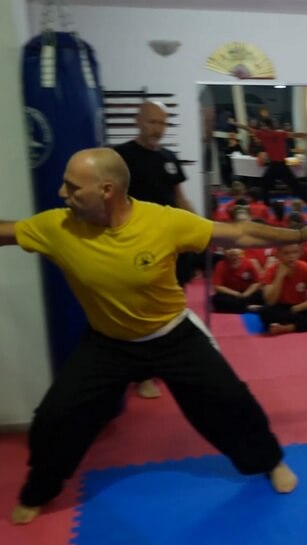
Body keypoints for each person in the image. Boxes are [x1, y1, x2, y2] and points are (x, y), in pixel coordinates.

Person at [0, 148, 307, 524]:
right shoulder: (57, 227)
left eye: (73, 186)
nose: (62, 193)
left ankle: (268, 461)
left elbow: (240, 234)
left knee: (229, 401)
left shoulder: (163, 222)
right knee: (54, 418)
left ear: (106, 190)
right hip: (107, 343)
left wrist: (302, 235)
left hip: (172, 335)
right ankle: (39, 490)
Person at [114, 101, 200, 399]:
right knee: (143, 310)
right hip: (138, 245)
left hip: (171, 245)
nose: (158, 129)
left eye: (162, 123)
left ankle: (169, 362)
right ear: (138, 121)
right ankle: (143, 375)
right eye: (152, 122)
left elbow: (180, 199)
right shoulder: (121, 157)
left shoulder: (169, 158)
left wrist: (201, 229)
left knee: (173, 305)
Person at [211, 248, 264, 313]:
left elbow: (256, 282)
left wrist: (246, 294)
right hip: (230, 294)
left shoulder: (248, 263)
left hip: (247, 293)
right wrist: (237, 294)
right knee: (217, 299)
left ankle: (241, 307)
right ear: (224, 252)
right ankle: (248, 308)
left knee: (261, 295)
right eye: (229, 248)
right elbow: (218, 287)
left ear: (242, 251)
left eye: (236, 248)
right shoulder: (220, 265)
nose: (233, 251)